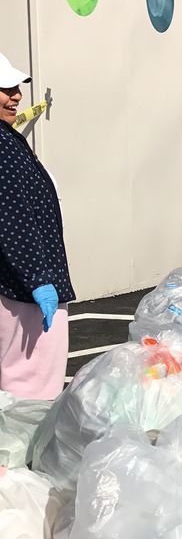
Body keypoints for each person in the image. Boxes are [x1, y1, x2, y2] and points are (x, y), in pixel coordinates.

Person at [0, 53, 75, 398]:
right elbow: (10, 214)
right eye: (5, 88)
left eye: (16, 87)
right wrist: (38, 279)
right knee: (30, 386)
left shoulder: (6, 136)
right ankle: (20, 449)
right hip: (23, 290)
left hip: (23, 285)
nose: (16, 95)